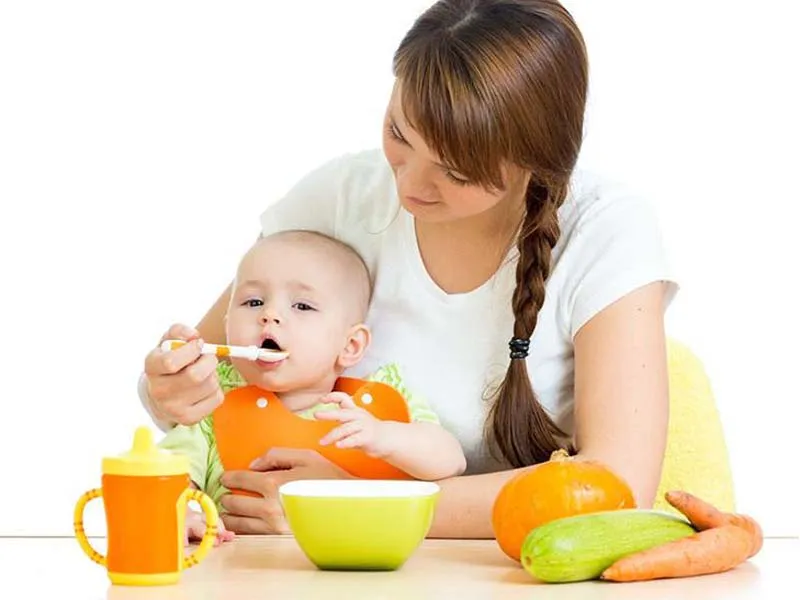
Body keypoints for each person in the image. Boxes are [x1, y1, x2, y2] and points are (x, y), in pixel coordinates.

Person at [140, 0, 677, 538]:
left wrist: (348, 506)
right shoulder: (338, 197)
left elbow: (617, 485)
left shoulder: (606, 228)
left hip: (514, 568)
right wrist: (168, 387)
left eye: (455, 171)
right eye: (400, 133)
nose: (409, 186)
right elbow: (216, 382)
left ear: (538, 161)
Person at [157, 230, 467, 541]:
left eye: (302, 306)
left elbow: (451, 461)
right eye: (253, 301)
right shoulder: (214, 405)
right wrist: (182, 510)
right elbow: (164, 475)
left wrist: (384, 435)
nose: (270, 315)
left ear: (351, 345)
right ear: (225, 326)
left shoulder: (376, 405)